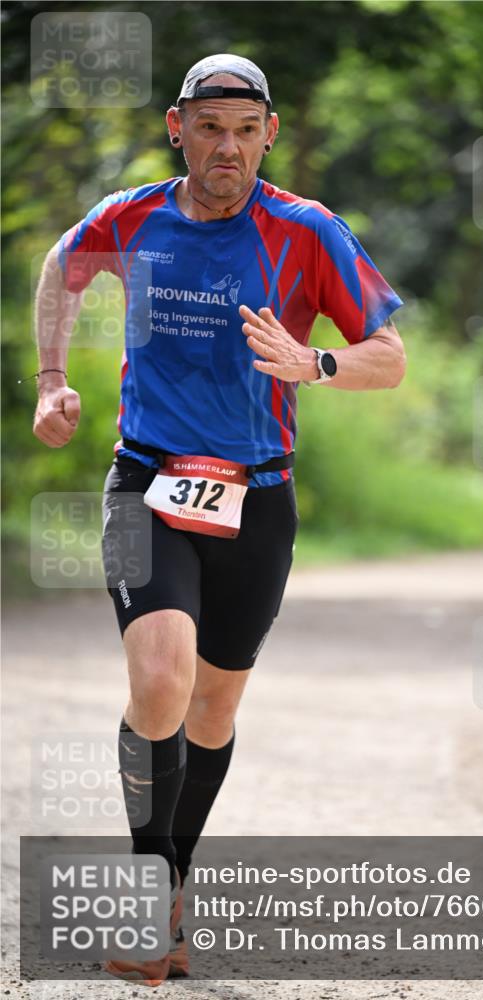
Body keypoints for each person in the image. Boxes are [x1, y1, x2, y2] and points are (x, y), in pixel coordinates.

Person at [32, 53, 405, 987]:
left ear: (269, 133)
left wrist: (312, 366)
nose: (226, 147)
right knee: (159, 678)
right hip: (144, 482)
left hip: (258, 495)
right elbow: (59, 267)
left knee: (213, 705)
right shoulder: (133, 216)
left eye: (245, 130)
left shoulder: (308, 233)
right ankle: (146, 891)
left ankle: (175, 882)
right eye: (209, 128)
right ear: (177, 127)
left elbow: (388, 356)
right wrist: (50, 381)